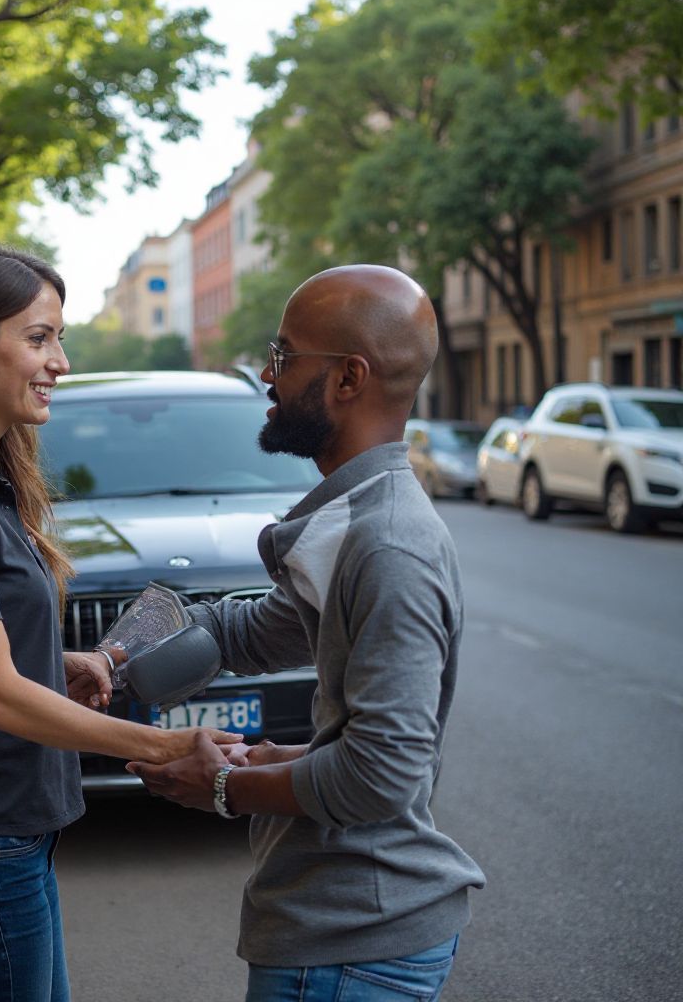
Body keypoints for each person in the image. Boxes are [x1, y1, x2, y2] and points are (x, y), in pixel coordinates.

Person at [0, 241, 239, 1002]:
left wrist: (55, 662)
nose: (60, 360)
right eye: (38, 337)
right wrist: (164, 744)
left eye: (59, 336)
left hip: (3, 848)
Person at [128, 264, 486, 1002]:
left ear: (348, 379)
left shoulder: (386, 545)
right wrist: (115, 656)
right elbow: (242, 630)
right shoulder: (349, 524)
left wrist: (227, 785)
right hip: (336, 937)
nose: (267, 373)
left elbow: (383, 774)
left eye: (285, 357)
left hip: (352, 947)